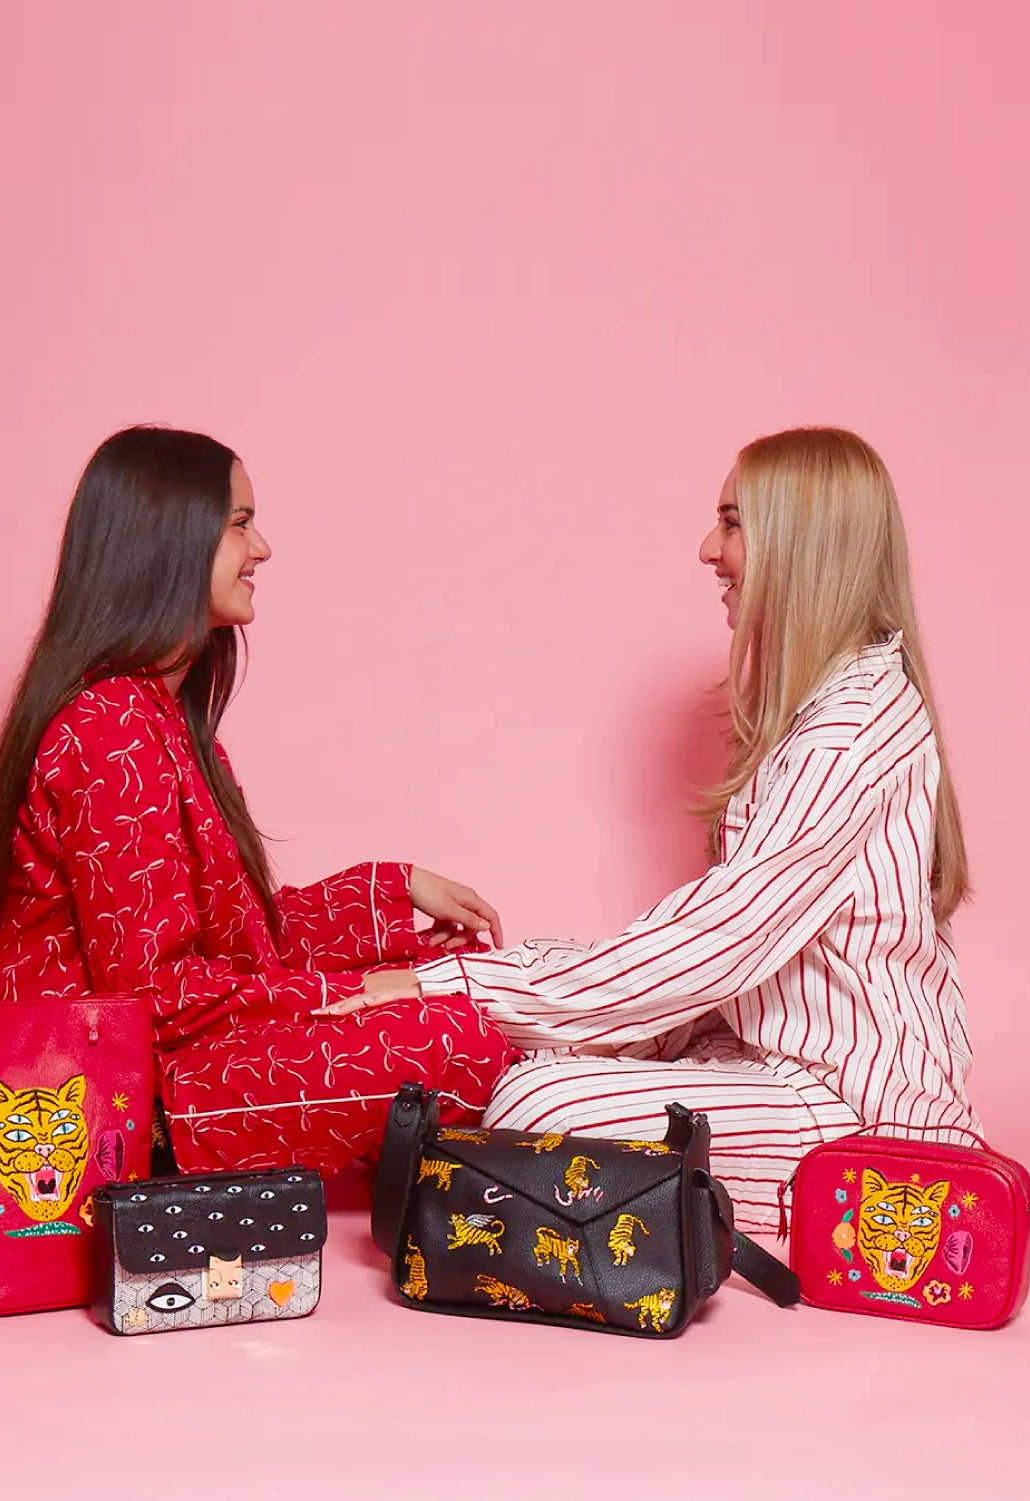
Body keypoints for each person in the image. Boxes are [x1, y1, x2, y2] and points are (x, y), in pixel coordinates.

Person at [329, 428, 978, 1232]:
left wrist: (466, 987)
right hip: (763, 1063)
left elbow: (711, 944)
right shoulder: (827, 709)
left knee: (538, 1095)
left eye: (733, 522)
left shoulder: (848, 731)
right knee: (531, 1059)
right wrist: (492, 981)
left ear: (802, 545)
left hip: (857, 1113)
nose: (710, 548)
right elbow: (711, 952)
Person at [0, 426, 513, 1174]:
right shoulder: (110, 728)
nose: (262, 550)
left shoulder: (167, 725)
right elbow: (156, 999)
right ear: (171, 540)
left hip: (187, 1062)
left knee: (468, 976)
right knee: (465, 1032)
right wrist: (367, 990)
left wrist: (392, 892)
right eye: (241, 524)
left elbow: (246, 946)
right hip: (124, 1100)